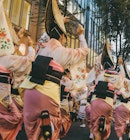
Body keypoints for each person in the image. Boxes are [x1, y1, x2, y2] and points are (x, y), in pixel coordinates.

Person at [19, 0, 88, 140]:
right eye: (65, 39)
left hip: (29, 92)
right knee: (57, 125)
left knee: (32, 130)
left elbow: (43, 38)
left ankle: (45, 125)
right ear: (62, 37)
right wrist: (81, 34)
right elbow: (85, 51)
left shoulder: (41, 48)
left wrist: (59, 21)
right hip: (47, 94)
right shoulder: (62, 52)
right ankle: (48, 123)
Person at [0, 1, 35, 139]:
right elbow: (28, 60)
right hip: (3, 99)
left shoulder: (8, 58)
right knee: (16, 117)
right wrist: (30, 46)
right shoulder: (8, 59)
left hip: (7, 97)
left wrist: (19, 39)